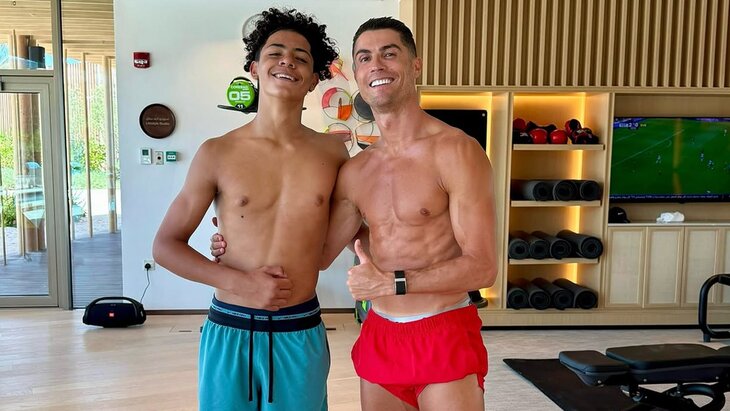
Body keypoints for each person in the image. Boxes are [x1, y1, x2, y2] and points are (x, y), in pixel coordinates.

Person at [212, 17, 498, 411]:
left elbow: (483, 268)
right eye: (364, 58)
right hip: (381, 331)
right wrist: (237, 238)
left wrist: (394, 282)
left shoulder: (458, 151)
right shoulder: (356, 170)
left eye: (389, 54)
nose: (376, 65)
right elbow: (319, 252)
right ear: (357, 74)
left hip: (443, 325)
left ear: (415, 65)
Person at [152, 8, 343, 411]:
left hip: (298, 329)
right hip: (230, 327)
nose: (287, 61)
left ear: (313, 79)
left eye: (301, 57)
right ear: (254, 69)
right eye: (275, 52)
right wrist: (239, 281)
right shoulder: (216, 152)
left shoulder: (333, 153)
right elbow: (165, 246)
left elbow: (337, 239)